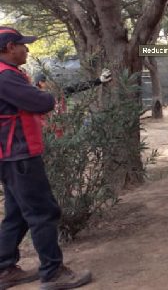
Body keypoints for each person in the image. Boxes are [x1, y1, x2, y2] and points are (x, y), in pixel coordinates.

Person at [0, 27, 92, 289]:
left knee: (17, 214)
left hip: (10, 155)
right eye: (22, 45)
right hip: (20, 155)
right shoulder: (6, 77)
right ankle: (53, 273)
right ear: (9, 47)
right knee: (43, 212)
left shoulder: (8, 75)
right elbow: (42, 103)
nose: (27, 49)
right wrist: (46, 95)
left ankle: (4, 268)